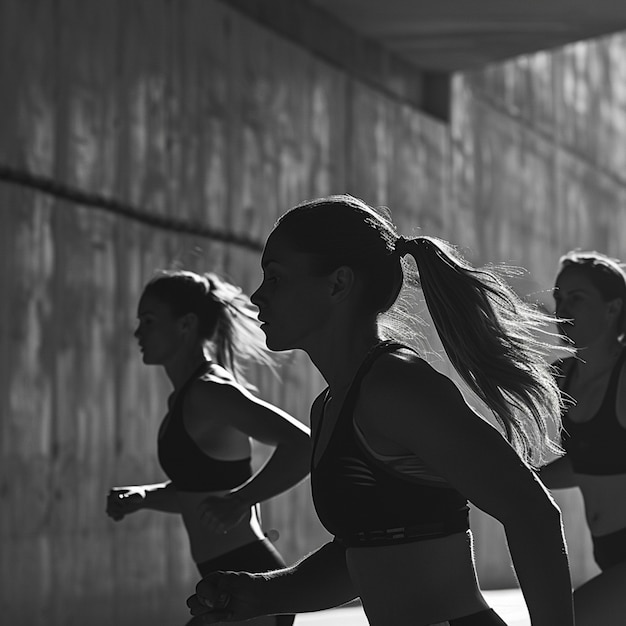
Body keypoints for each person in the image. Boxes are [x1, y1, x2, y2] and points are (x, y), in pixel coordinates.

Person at [187, 194, 574, 626]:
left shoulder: (396, 387)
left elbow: (532, 512)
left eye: (275, 278)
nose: (258, 295)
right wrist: (264, 593)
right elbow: (364, 553)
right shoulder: (331, 404)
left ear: (338, 284)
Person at [106, 270, 311, 626]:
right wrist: (144, 497)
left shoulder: (209, 392)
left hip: (248, 579)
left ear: (186, 324)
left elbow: (303, 444)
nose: (138, 332)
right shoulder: (184, 398)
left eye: (149, 321)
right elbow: (200, 494)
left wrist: (239, 500)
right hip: (224, 580)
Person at [538, 250, 626, 625]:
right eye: (559, 297)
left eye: (577, 298)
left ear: (613, 308)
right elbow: (587, 462)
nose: (563, 307)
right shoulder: (562, 377)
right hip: (607, 550)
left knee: (567, 620)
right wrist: (516, 479)